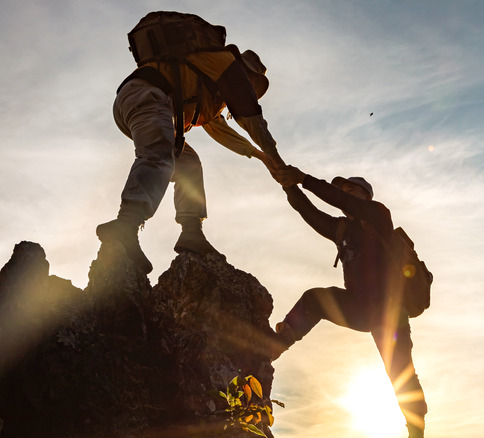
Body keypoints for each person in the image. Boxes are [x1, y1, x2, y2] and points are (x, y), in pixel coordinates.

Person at [96, 13, 283, 274]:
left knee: (188, 164)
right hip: (147, 95)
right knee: (159, 154)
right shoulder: (224, 65)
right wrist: (276, 159)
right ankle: (125, 225)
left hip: (137, 103)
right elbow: (250, 115)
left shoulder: (212, 88)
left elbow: (220, 131)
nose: (252, 88)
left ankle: (191, 232)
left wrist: (261, 157)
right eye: (252, 82)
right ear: (246, 72)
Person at [269, 165, 427, 438]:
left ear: (366, 196)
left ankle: (416, 430)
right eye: (342, 188)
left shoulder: (378, 215)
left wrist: (304, 179)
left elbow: (338, 199)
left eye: (350, 189)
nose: (344, 192)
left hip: (389, 312)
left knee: (399, 371)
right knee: (315, 299)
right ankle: (277, 343)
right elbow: (309, 213)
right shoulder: (342, 229)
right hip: (358, 308)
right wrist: (288, 185)